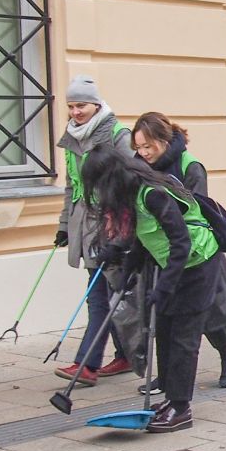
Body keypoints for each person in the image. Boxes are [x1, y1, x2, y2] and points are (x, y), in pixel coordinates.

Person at [80, 146, 225, 432]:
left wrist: (164, 288)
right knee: (166, 332)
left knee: (184, 337)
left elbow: (181, 242)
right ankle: (171, 399)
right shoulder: (132, 195)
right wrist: (124, 265)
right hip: (175, 265)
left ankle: (181, 409)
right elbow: (143, 239)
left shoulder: (153, 194)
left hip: (198, 264)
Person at [131, 112, 226, 392]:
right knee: (166, 315)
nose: (143, 153)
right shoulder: (141, 167)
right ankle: (167, 375)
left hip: (196, 253)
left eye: (148, 147)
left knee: (206, 313)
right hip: (161, 252)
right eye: (139, 148)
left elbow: (195, 213)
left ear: (164, 141)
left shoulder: (189, 166)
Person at [53, 76, 134, 386]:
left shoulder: (116, 135)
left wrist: (121, 232)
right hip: (83, 226)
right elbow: (72, 186)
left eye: (81, 105)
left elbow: (133, 182)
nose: (75, 112)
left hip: (110, 225)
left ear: (97, 105)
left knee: (98, 294)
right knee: (106, 290)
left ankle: (87, 364)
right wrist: (63, 227)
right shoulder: (72, 136)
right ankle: (126, 355)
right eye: (71, 106)